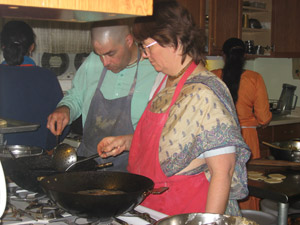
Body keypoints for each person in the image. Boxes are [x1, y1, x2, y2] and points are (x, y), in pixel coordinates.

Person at [97, 1, 251, 216]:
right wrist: (127, 142)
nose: (143, 54)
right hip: (151, 207)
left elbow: (222, 173)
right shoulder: (162, 81)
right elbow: (168, 142)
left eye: (146, 46)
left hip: (191, 212)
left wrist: (209, 223)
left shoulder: (205, 92)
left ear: (174, 41)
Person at [47, 20, 159, 171]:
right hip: (87, 165)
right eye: (99, 54)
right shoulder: (93, 62)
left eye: (110, 53)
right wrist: (65, 109)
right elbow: (76, 96)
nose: (104, 62)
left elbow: (157, 133)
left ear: (128, 40)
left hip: (132, 171)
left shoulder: (155, 69)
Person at [211, 38, 272, 210]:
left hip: (220, 139)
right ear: (245, 55)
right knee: (249, 182)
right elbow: (264, 118)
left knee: (221, 179)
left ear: (223, 55)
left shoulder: (214, 77)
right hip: (247, 139)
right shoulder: (254, 78)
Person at [0, 20, 65, 150]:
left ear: (3, 46)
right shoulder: (47, 77)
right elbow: (61, 124)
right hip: (37, 160)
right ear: (32, 47)